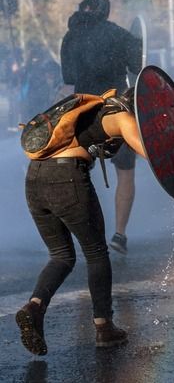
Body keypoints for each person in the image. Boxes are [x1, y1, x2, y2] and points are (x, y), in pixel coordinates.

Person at [16, 88, 145, 355]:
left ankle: (34, 306)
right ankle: (104, 327)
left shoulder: (92, 109)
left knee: (61, 256)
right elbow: (150, 152)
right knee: (97, 253)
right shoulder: (122, 117)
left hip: (34, 179)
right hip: (66, 179)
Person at [60, 0, 142, 254]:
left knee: (79, 171)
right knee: (125, 171)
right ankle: (119, 234)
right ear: (106, 12)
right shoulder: (118, 34)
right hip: (115, 109)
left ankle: (85, 231)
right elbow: (139, 65)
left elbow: (69, 76)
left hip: (82, 109)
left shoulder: (70, 37)